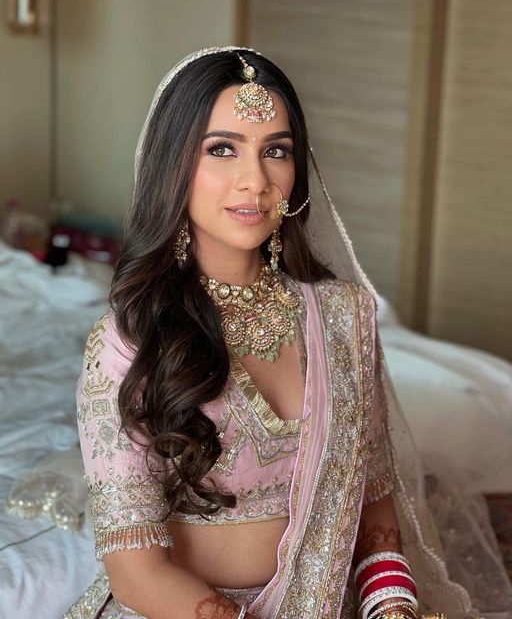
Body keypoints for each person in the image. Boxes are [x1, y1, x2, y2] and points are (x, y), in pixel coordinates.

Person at [64, 47, 476, 619]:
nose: (254, 181)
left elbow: (373, 503)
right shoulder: (130, 340)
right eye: (222, 149)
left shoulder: (344, 317)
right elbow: (136, 571)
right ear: (173, 166)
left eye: (275, 151)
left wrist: (392, 608)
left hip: (325, 604)